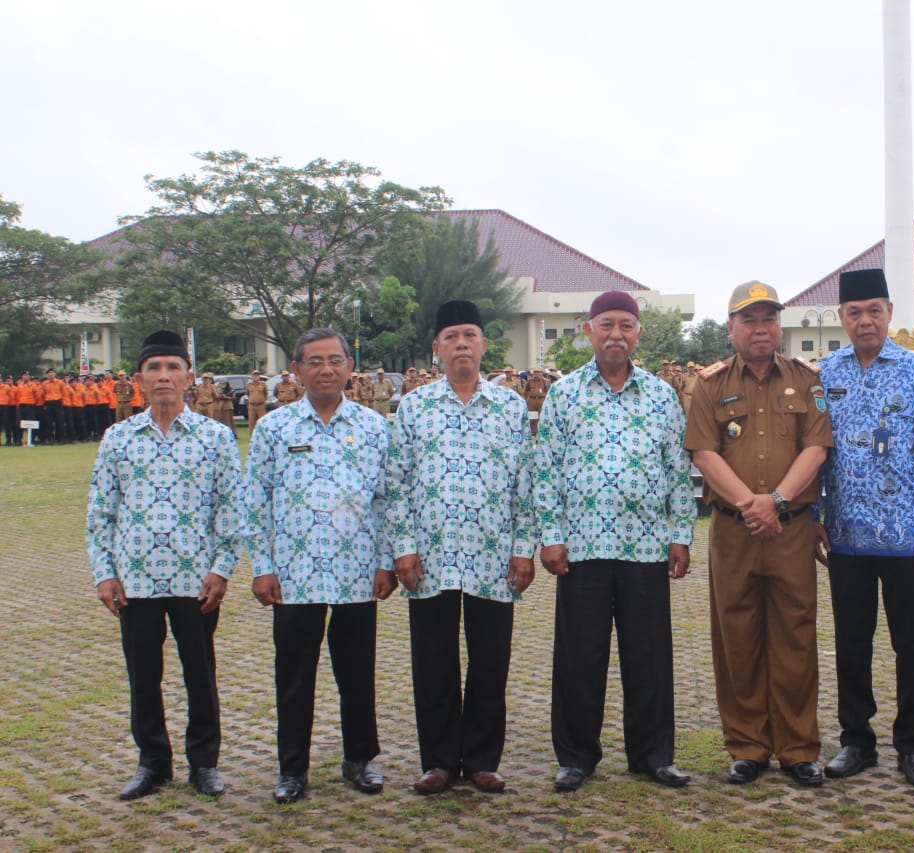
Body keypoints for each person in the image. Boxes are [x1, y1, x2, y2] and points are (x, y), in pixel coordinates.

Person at [534, 290, 696, 793]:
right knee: (580, 656)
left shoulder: (661, 395)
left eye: (626, 325)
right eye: (606, 325)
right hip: (581, 548)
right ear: (588, 330)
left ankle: (652, 755)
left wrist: (681, 535)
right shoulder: (564, 395)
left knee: (648, 656)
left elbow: (678, 469)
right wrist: (552, 537)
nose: (616, 335)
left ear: (638, 333)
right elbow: (547, 470)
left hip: (645, 546)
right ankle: (577, 757)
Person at [685, 281, 832, 788]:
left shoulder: (807, 381)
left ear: (780, 326)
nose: (760, 328)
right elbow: (704, 453)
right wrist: (753, 506)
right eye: (749, 320)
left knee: (795, 637)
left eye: (769, 318)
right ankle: (747, 746)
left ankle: (797, 748)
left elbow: (816, 448)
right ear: (731, 328)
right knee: (738, 639)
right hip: (734, 532)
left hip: (790, 531)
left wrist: (779, 503)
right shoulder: (709, 384)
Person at [386, 301, 537, 796]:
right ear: (437, 349)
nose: (462, 345)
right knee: (433, 662)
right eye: (451, 337)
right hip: (429, 558)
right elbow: (397, 482)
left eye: (470, 335)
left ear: (484, 344)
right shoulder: (414, 406)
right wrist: (404, 548)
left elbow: (525, 482)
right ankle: (438, 761)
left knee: (490, 661)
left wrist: (522, 548)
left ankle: (482, 760)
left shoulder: (511, 406)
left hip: (492, 556)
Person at [242, 328, 396, 804]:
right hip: (293, 575)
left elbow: (388, 501)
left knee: (356, 672)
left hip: (356, 571)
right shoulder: (273, 428)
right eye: (315, 361)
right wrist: (262, 567)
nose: (326, 369)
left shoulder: (374, 427)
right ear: (296, 371)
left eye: (335, 360)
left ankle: (360, 759)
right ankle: (293, 768)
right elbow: (255, 502)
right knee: (293, 675)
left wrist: (386, 561)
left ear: (350, 366)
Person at [86, 330, 241, 799]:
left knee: (200, 673)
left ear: (189, 377)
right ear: (139, 379)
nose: (164, 377)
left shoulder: (215, 437)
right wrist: (104, 573)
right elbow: (100, 512)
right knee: (143, 676)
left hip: (196, 581)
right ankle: (152, 762)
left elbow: (231, 511)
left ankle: (204, 764)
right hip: (134, 582)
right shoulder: (119, 437)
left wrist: (222, 569)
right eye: (154, 368)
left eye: (173, 367)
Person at [816, 268, 914, 788]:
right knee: (852, 643)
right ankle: (856, 740)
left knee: (911, 644)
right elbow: (816, 452)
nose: (865, 320)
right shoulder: (825, 374)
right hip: (847, 535)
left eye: (875, 310)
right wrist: (810, 516)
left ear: (890, 313)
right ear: (842, 319)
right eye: (855, 312)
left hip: (906, 536)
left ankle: (912, 744)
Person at [244, 369, 268, 434]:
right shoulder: (249, 385)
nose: (255, 377)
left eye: (257, 375)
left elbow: (266, 394)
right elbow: (247, 394)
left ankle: (264, 435)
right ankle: (252, 437)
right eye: (254, 375)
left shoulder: (263, 384)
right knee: (251, 422)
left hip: (261, 405)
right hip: (252, 406)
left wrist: (261, 400)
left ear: (259, 376)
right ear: (252, 377)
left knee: (263, 421)